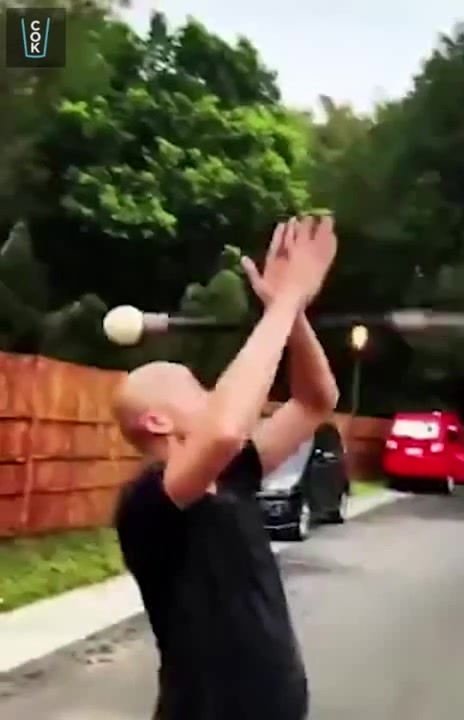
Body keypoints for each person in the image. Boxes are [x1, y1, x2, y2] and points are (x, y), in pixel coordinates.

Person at [113, 215, 339, 720]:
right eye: (198, 389)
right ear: (158, 420)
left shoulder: (234, 474)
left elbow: (316, 401)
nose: (213, 394)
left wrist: (291, 312)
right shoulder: (148, 503)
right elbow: (224, 430)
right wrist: (284, 303)